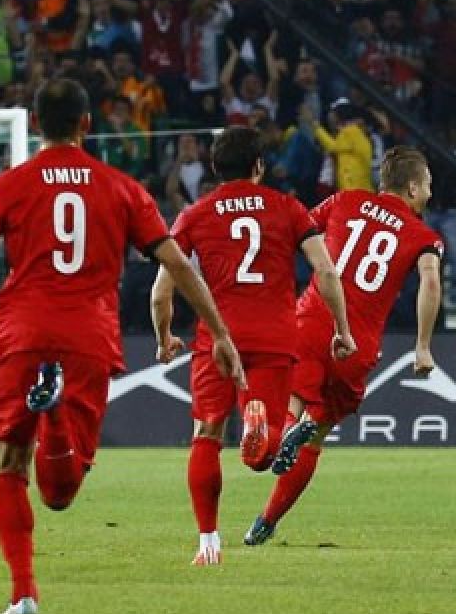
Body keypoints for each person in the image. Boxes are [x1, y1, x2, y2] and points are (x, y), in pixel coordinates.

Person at [0, 79, 245, 614]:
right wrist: (220, 333)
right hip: (89, 334)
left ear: (36, 124)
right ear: (88, 124)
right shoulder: (123, 188)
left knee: (11, 463)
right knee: (62, 492)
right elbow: (177, 264)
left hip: (23, 331)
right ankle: (56, 413)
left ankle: (22, 593)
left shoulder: (8, 186)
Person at [150, 126, 356, 566]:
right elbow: (327, 271)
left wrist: (163, 335)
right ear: (259, 166)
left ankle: (208, 542)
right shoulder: (289, 209)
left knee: (206, 433)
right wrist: (341, 327)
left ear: (213, 168)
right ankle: (262, 428)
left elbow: (161, 290)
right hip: (276, 337)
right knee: (264, 455)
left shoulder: (195, 214)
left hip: (218, 338)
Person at [244, 147, 443, 545]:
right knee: (317, 437)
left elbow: (296, 234)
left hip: (312, 321)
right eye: (427, 187)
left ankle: (282, 430)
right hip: (358, 345)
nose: (430, 195)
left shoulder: (344, 200)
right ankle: (265, 522)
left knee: (292, 404)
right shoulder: (424, 236)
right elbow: (431, 282)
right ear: (411, 187)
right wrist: (422, 345)